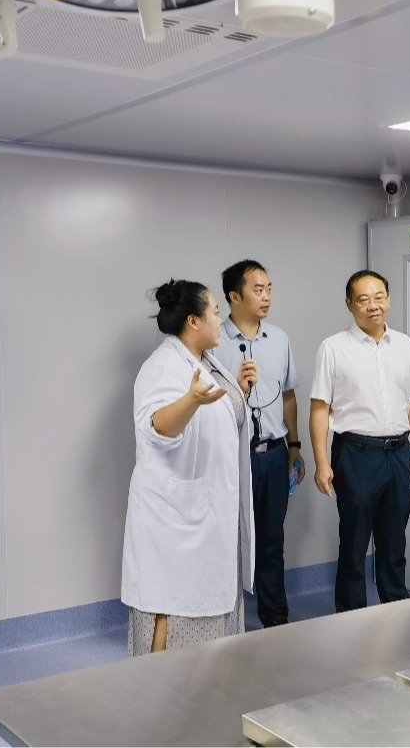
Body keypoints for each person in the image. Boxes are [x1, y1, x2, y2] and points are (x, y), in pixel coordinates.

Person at [121, 279, 254, 655]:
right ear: (194, 321)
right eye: (215, 312)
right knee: (172, 604)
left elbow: (219, 421)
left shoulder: (205, 361)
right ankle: (159, 685)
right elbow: (158, 427)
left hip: (208, 515)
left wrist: (238, 393)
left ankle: (202, 686)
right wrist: (192, 401)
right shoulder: (164, 366)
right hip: (175, 518)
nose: (220, 319)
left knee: (208, 610)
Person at [309, 269, 410, 613]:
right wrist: (322, 463)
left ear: (388, 299)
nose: (373, 305)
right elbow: (319, 408)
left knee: (394, 543)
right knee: (353, 544)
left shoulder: (405, 346)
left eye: (379, 297)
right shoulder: (333, 348)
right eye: (363, 299)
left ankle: (395, 614)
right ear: (349, 304)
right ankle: (352, 621)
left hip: (399, 453)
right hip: (355, 454)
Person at [213, 259, 301, 628]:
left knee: (271, 539)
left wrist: (294, 446)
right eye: (257, 290)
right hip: (233, 457)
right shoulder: (214, 342)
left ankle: (275, 619)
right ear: (234, 297)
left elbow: (289, 397)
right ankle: (223, 621)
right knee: (226, 540)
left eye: (269, 289)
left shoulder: (279, 339)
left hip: (274, 455)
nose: (266, 297)